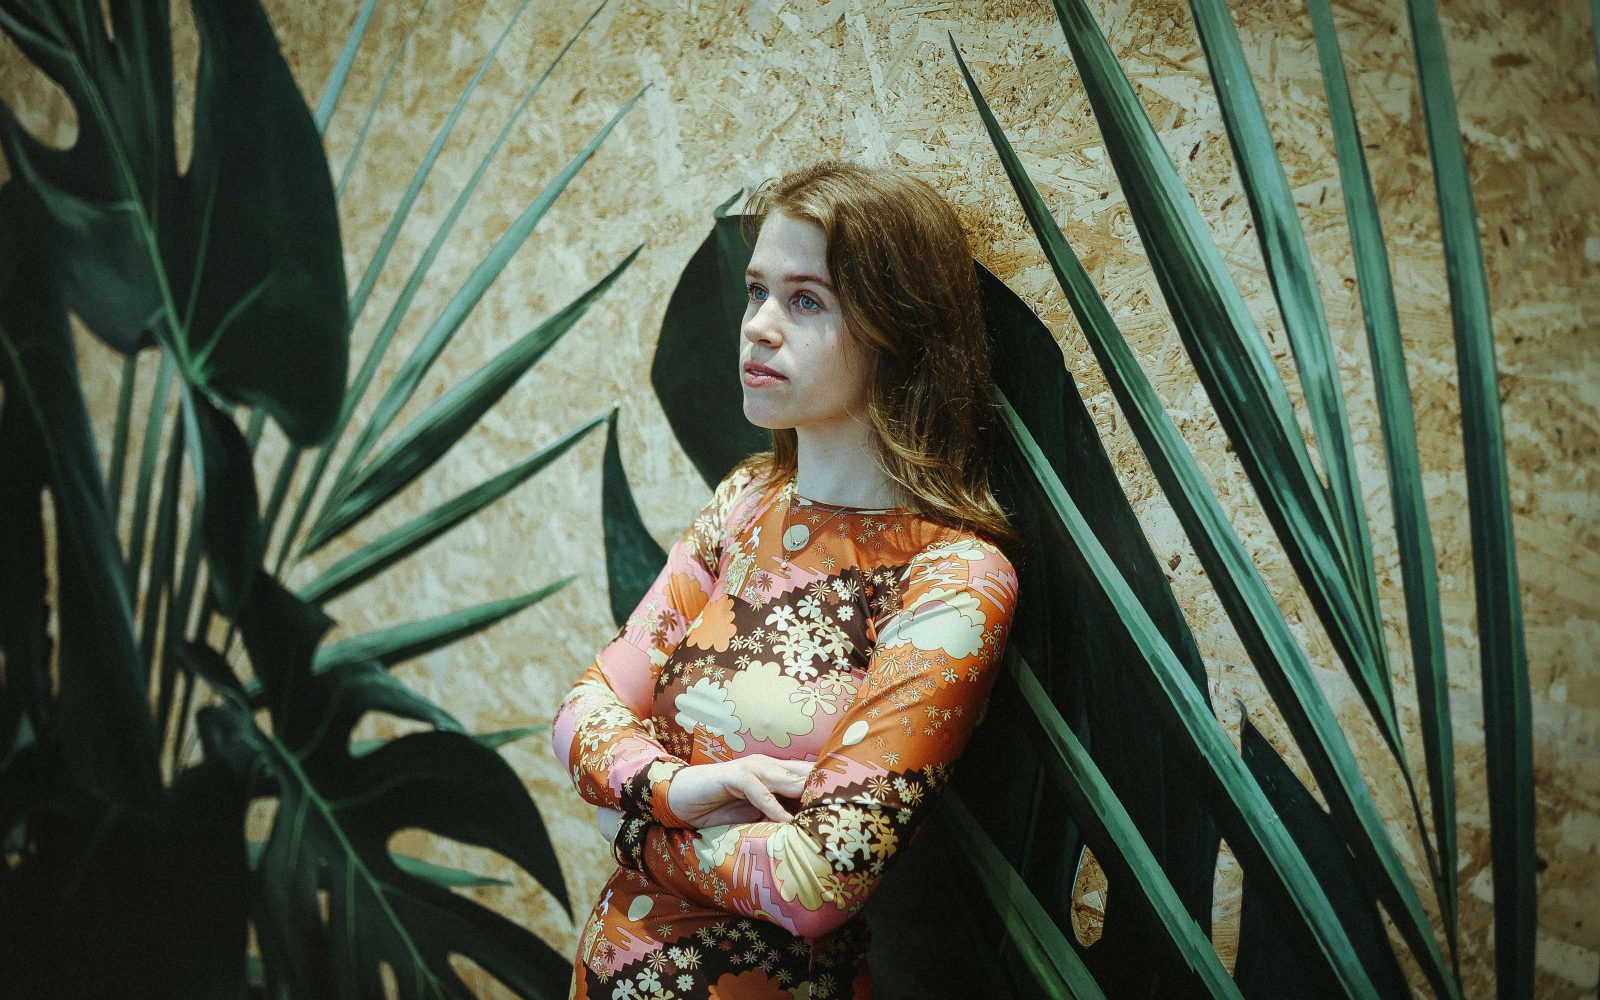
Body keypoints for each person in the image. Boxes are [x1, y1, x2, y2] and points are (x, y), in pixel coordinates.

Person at [551, 161, 1021, 1000]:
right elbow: (582, 711)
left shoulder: (953, 579)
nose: (759, 328)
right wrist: (684, 790)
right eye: (756, 291)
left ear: (898, 331)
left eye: (806, 301)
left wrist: (628, 824)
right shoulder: (745, 503)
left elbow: (813, 886)